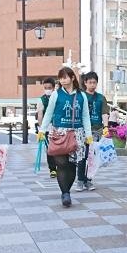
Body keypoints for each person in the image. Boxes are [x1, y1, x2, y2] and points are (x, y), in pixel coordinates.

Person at [38, 67, 92, 207]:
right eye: (60, 78)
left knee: (72, 165)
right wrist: (42, 130)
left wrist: (89, 135)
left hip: (77, 133)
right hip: (59, 133)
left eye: (65, 77)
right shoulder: (56, 94)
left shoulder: (82, 96)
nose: (62, 80)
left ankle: (66, 190)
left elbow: (85, 116)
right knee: (61, 163)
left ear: (72, 78)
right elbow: (49, 113)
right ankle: (65, 193)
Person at [76, 71, 109, 191]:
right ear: (85, 83)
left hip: (96, 130)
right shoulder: (80, 96)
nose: (92, 85)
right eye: (90, 82)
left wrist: (106, 127)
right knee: (82, 156)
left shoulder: (101, 98)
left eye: (94, 82)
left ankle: (88, 180)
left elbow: (104, 113)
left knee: (92, 158)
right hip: (83, 130)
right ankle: (80, 180)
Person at [36, 77, 58, 178]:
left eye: (49, 88)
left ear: (53, 87)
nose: (47, 90)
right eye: (45, 88)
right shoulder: (41, 100)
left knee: (59, 147)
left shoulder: (58, 97)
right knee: (50, 148)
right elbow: (40, 115)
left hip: (59, 127)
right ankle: (52, 169)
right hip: (48, 127)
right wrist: (41, 129)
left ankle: (60, 166)